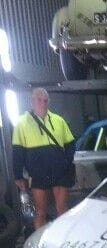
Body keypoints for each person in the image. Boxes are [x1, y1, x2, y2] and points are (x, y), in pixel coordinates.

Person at [12, 87, 76, 229]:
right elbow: (17, 152)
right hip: (38, 173)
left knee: (62, 210)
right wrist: (18, 176)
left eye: (45, 100)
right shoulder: (21, 123)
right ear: (32, 101)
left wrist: (66, 161)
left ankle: (62, 242)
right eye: (39, 100)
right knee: (40, 212)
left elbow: (71, 144)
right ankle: (39, 243)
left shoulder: (58, 120)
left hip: (60, 172)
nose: (43, 103)